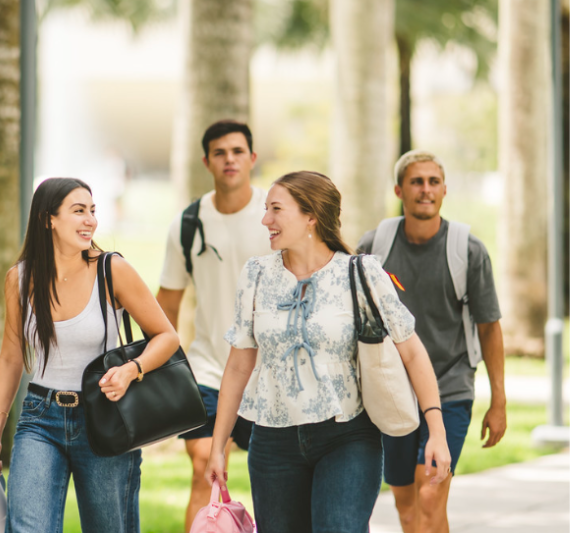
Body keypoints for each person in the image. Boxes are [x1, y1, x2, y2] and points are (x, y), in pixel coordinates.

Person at [205, 171, 452, 533]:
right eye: (265, 209)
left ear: (311, 216)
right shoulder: (256, 275)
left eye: (275, 209)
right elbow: (239, 365)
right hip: (273, 441)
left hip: (347, 435)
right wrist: (217, 446)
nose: (265, 220)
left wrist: (437, 431)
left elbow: (412, 353)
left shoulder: (361, 273)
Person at [0, 177, 179, 533]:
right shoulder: (20, 280)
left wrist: (132, 370)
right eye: (78, 211)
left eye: (92, 211)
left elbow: (166, 337)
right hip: (40, 418)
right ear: (48, 219)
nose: (90, 220)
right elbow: (11, 358)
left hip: (104, 417)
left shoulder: (112, 270)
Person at [357, 150, 506, 533]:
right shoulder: (374, 247)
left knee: (430, 494)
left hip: (451, 388)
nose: (425, 190)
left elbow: (489, 326)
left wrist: (498, 400)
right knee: (407, 504)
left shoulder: (468, 251)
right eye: (416, 182)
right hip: (393, 392)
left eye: (433, 181)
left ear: (444, 190)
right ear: (399, 190)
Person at [156, 120, 271, 531]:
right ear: (206, 161)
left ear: (252, 158)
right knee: (204, 465)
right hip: (208, 370)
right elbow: (165, 304)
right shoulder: (187, 224)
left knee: (273, 480)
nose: (230, 160)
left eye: (238, 151)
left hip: (269, 374)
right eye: (220, 153)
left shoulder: (274, 215)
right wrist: (158, 371)